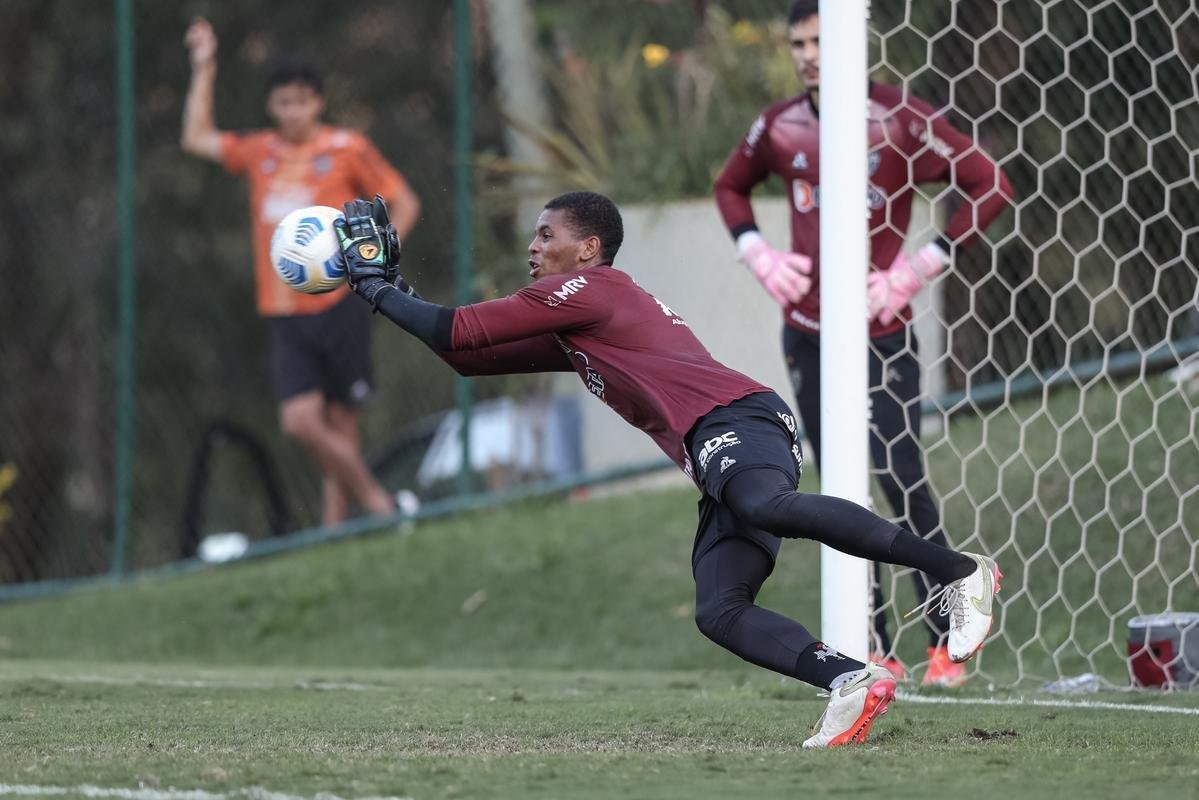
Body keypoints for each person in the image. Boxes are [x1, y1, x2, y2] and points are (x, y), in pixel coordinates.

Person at [332, 190, 1001, 747]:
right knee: (720, 608)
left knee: (766, 506)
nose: (533, 247)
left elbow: (457, 329)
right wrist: (389, 291)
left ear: (588, 249)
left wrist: (372, 287)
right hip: (718, 449)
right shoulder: (582, 323)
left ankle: (956, 570)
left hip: (735, 420)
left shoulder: (588, 289)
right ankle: (849, 680)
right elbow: (463, 354)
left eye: (546, 234)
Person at [713, 0, 1013, 686]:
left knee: (901, 476)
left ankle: (949, 638)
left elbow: (989, 183)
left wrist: (920, 265)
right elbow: (728, 186)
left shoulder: (898, 116)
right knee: (837, 491)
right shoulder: (778, 124)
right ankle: (872, 643)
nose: (810, 52)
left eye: (821, 39)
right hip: (808, 332)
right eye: (798, 42)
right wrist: (755, 251)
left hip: (881, 332)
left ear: (852, 39)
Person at [181, 18, 421, 525]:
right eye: (283, 102)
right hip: (285, 309)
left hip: (342, 301)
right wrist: (205, 65)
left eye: (302, 100)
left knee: (342, 421)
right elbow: (197, 137)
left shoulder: (346, 149)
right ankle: (379, 504)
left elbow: (404, 202)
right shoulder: (260, 152)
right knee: (300, 421)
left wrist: (377, 261)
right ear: (272, 106)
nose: (293, 111)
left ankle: (334, 534)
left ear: (318, 102)